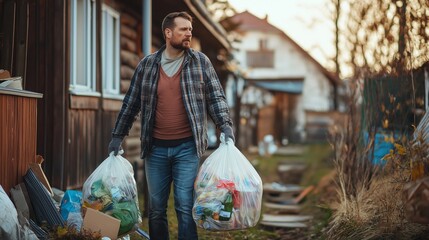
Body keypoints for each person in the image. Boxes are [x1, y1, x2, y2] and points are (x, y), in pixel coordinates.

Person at [108, 11, 234, 240]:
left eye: (190, 29)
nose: (189, 34)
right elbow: (131, 102)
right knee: (156, 209)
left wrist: (225, 125)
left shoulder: (200, 62)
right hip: (155, 149)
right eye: (183, 29)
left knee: (185, 206)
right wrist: (118, 135)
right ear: (168, 33)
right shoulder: (147, 65)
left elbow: (216, 97)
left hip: (187, 148)